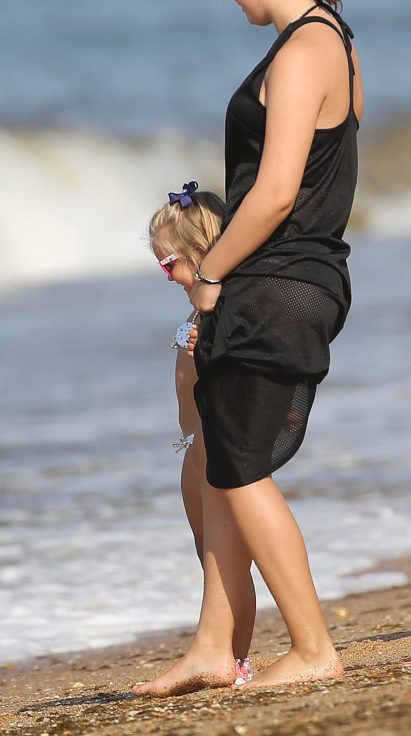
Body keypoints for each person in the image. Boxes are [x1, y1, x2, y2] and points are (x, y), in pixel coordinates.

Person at [134, 0, 362, 696]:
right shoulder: (336, 39)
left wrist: (211, 279)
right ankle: (214, 644)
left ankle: (311, 646)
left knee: (239, 471)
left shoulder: (302, 51)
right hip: (298, 273)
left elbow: (272, 195)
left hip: (277, 278)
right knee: (224, 458)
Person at [147, 181, 256, 684]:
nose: (164, 274)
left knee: (226, 559)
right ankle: (224, 654)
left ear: (201, 251)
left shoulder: (217, 306)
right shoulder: (198, 302)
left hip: (217, 444)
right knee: (207, 556)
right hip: (192, 449)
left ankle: (235, 658)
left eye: (168, 263)